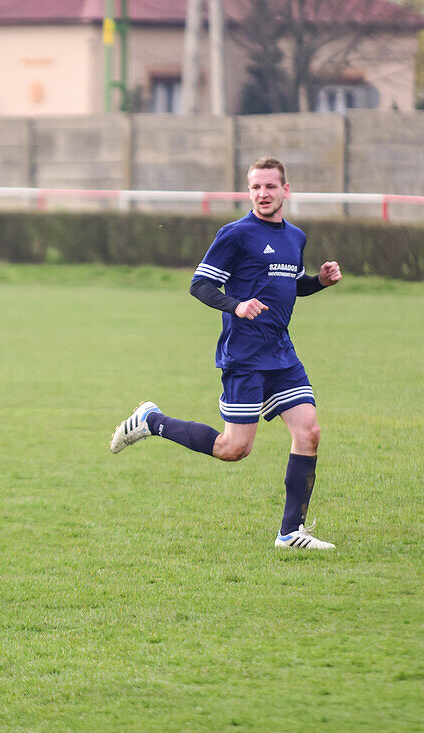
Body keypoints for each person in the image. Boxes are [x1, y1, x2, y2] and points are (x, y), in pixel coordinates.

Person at [109, 156, 342, 550]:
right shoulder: (235, 234)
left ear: (286, 190)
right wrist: (235, 305)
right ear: (248, 191)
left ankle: (290, 532)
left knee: (310, 432)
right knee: (234, 449)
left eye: (270, 186)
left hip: (282, 353)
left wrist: (317, 281)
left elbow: (289, 285)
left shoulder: (295, 237)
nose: (262, 194)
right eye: (255, 187)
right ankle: (152, 420)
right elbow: (200, 285)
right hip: (245, 356)